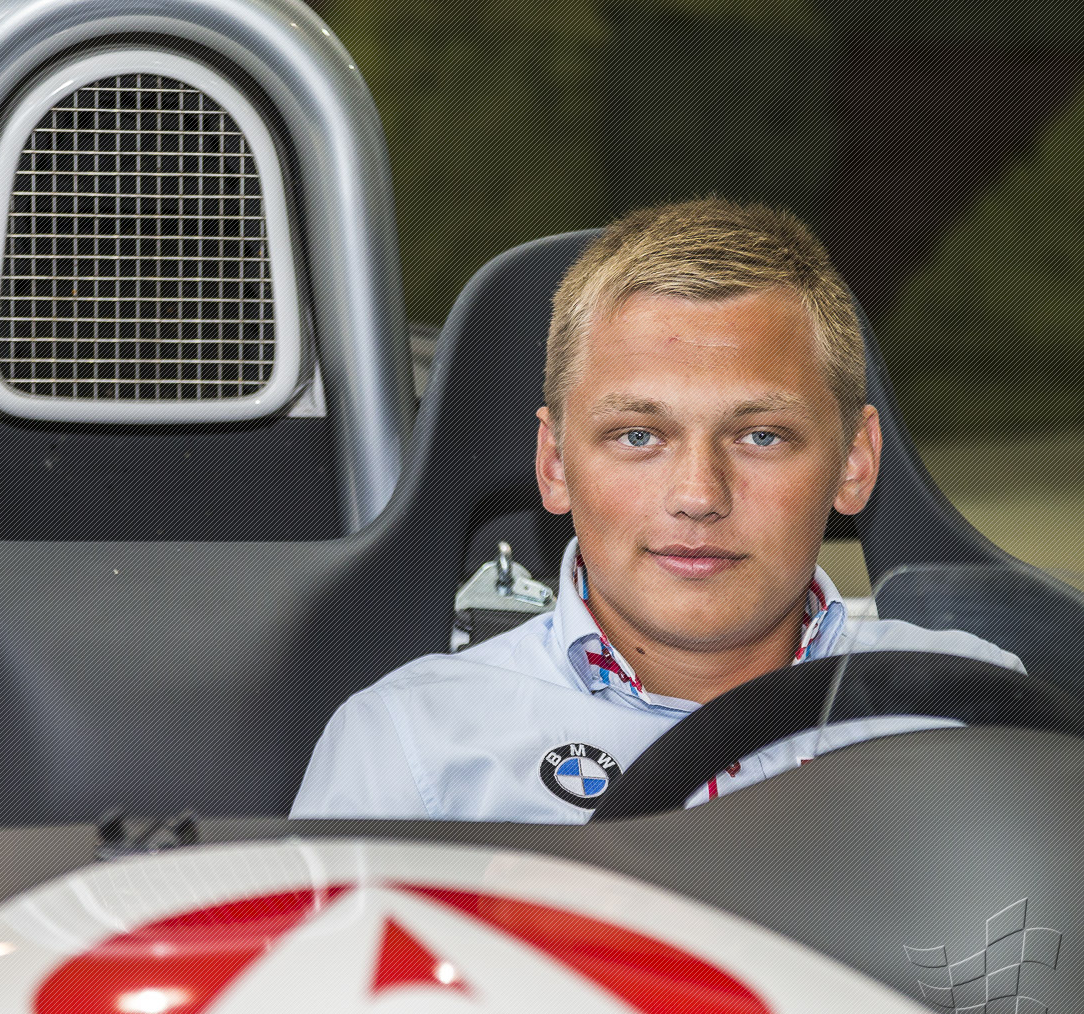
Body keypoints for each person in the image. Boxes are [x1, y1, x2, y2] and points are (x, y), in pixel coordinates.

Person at [291, 197, 1021, 822]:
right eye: (638, 436)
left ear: (853, 463)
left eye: (761, 436)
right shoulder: (410, 750)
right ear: (554, 465)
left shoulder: (970, 708)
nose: (698, 496)